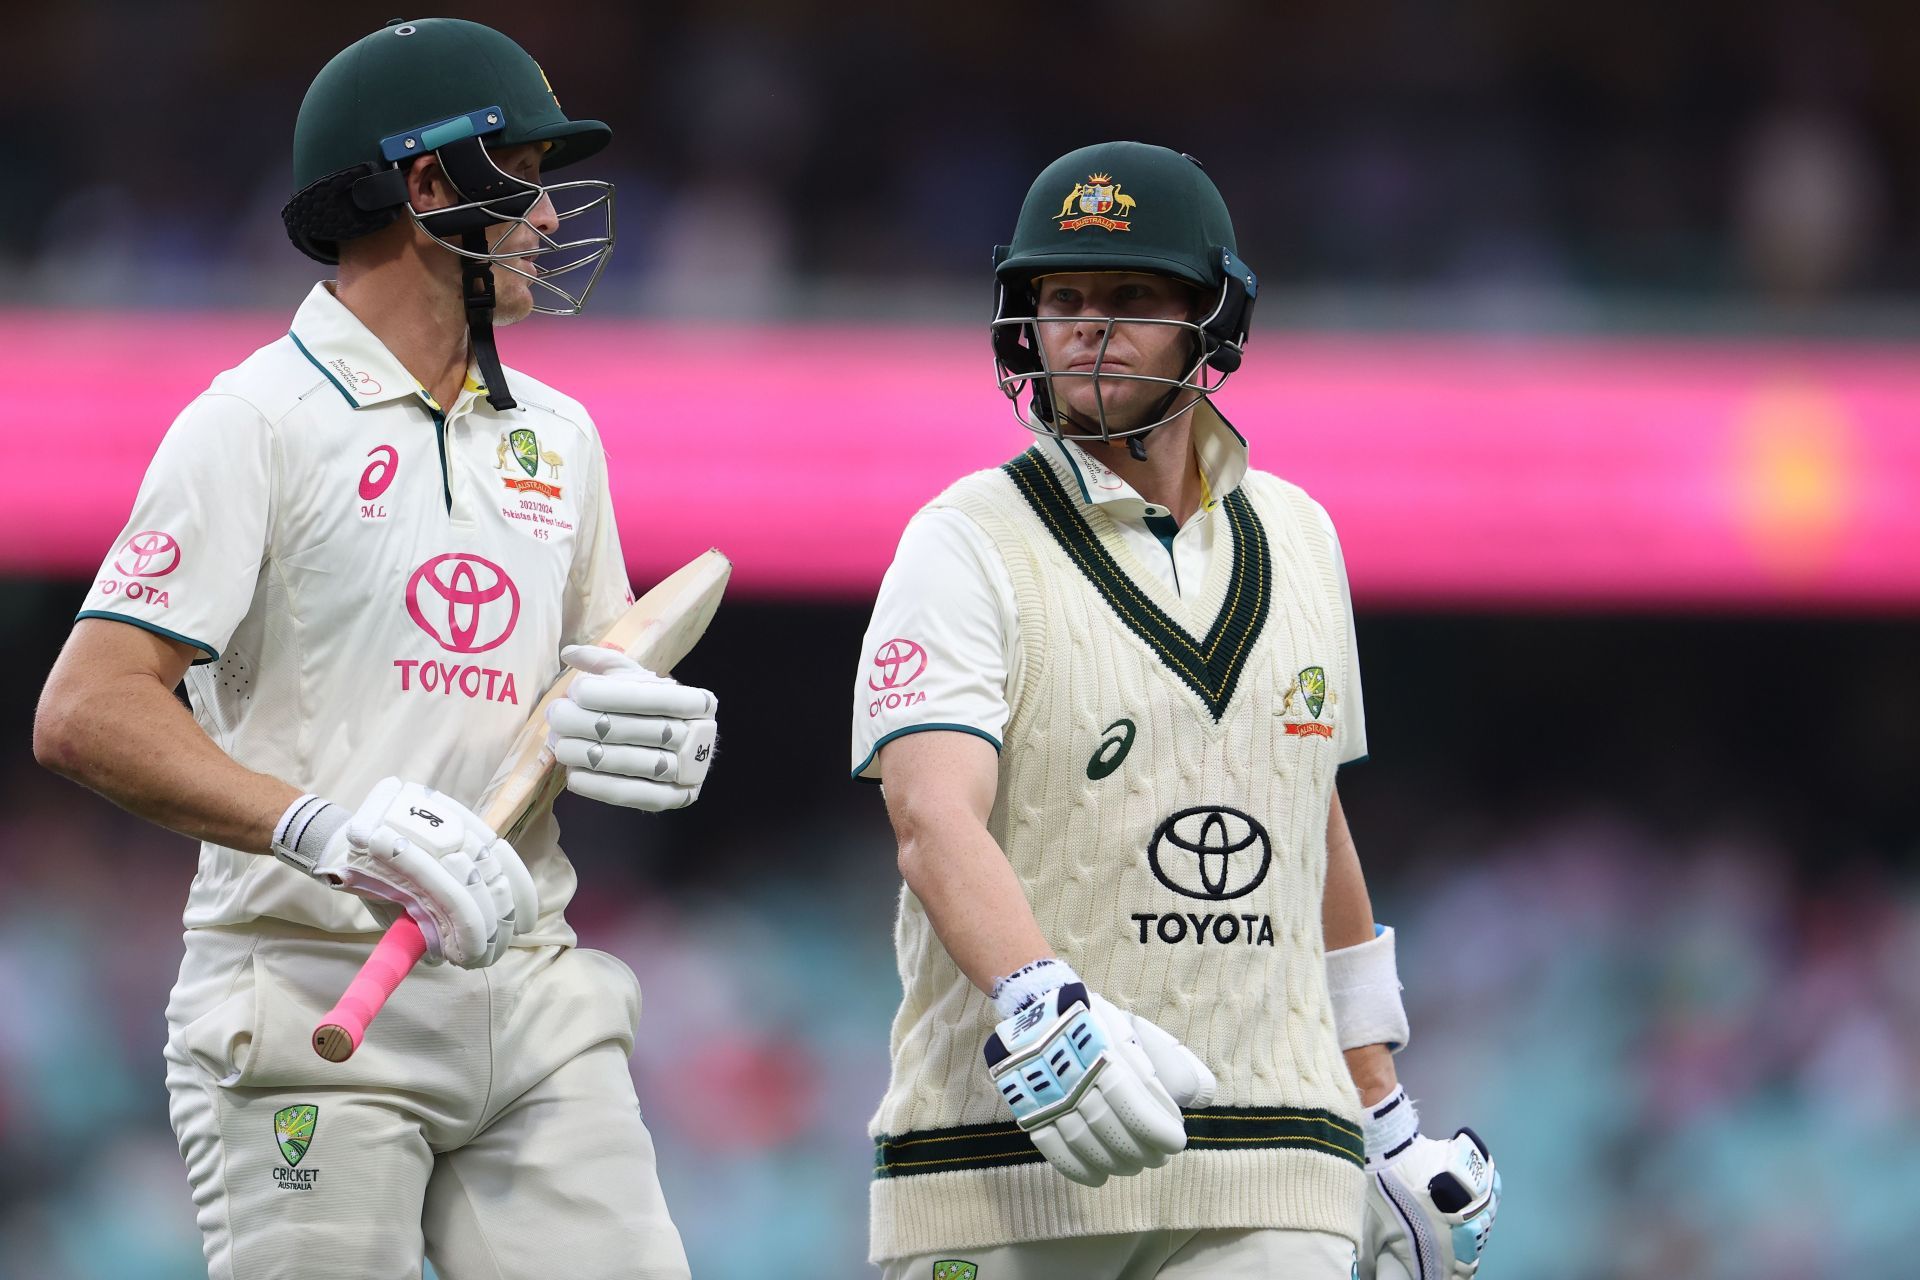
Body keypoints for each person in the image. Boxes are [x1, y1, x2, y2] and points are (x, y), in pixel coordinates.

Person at [32, 19, 716, 1280]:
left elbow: (588, 685)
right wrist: (325, 830)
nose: (552, 221)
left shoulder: (561, 434)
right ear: (427, 183)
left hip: (533, 992)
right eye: (522, 175)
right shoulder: (254, 421)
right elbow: (86, 708)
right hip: (307, 999)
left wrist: (641, 733)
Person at [849, 141, 1501, 1280]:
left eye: (1133, 297)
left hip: (1274, 1155)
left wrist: (1383, 1111)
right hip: (1009, 1152)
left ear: (1213, 322)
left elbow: (1310, 820)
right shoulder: (961, 539)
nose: (1090, 327)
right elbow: (929, 814)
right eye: (1062, 298)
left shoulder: (1303, 537)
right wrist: (1041, 1006)